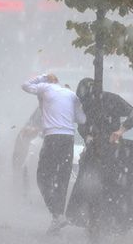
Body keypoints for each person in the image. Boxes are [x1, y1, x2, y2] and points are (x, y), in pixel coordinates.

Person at [67, 77, 133, 239]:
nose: (86, 102)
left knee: (110, 186)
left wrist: (120, 131)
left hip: (113, 151)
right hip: (93, 151)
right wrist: (88, 137)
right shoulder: (84, 104)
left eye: (87, 99)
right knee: (89, 185)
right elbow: (82, 125)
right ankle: (93, 221)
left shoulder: (112, 99)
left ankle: (109, 221)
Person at [21, 73, 86, 234]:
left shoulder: (46, 87)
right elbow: (82, 119)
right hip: (68, 139)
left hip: (53, 138)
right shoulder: (71, 95)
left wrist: (43, 77)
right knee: (62, 178)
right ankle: (58, 217)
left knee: (43, 176)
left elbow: (25, 85)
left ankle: (56, 214)